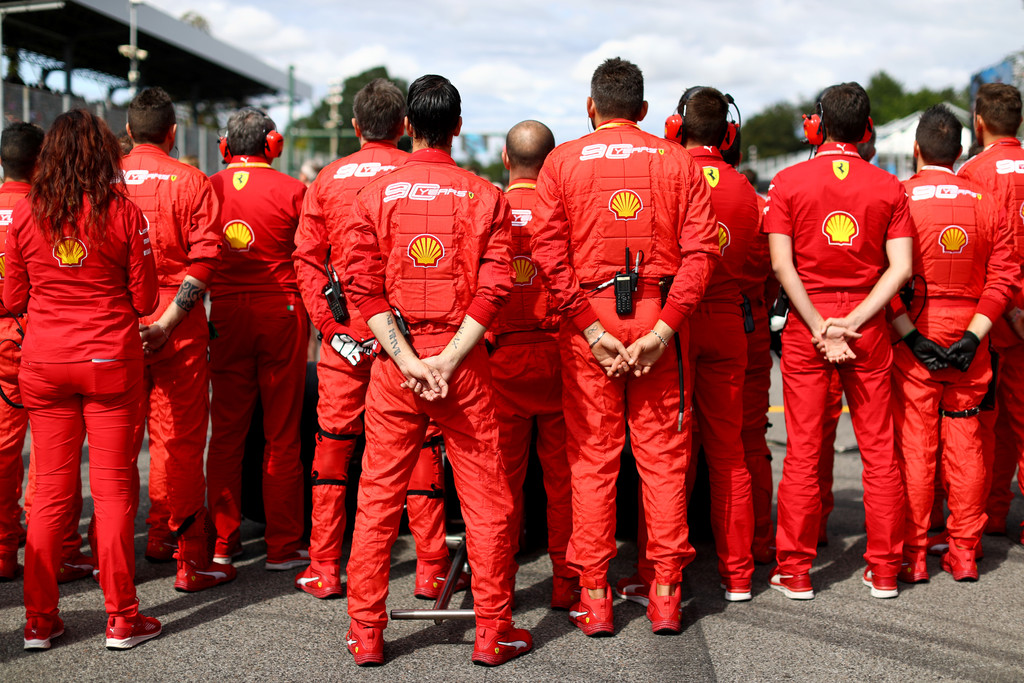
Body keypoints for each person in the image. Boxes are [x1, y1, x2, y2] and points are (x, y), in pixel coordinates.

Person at [342, 74, 531, 667]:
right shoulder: (486, 195)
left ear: (405, 128)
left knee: (376, 498)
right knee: (487, 500)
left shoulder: (371, 195)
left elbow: (362, 294)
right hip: (463, 366)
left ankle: (367, 634)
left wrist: (410, 363)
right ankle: (491, 632)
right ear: (456, 126)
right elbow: (496, 289)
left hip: (397, 369)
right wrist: (446, 361)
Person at [530, 58, 720, 636]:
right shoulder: (679, 160)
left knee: (592, 462)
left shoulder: (561, 161)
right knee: (662, 464)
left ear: (592, 108)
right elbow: (703, 252)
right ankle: (665, 594)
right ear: (642, 111)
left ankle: (595, 596)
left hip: (590, 322)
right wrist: (664, 330)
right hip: (659, 314)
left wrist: (590, 329)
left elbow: (546, 253)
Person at [4, 109, 162, 649]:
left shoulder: (26, 212)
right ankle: (122, 618)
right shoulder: (124, 212)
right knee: (114, 488)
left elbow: (10, 298)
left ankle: (39, 622)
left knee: (46, 491)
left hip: (45, 363)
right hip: (109, 362)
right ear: (103, 154)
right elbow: (144, 300)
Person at [292, 78, 455, 600]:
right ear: (406, 127)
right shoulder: (416, 178)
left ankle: (324, 566)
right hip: (407, 341)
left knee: (335, 447)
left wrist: (331, 329)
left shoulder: (326, 179)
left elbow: (307, 261)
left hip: (346, 340)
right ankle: (430, 565)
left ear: (356, 126)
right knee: (422, 444)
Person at [764, 82, 912, 600]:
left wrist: (821, 325)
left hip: (810, 327)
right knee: (879, 451)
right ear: (868, 128)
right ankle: (886, 569)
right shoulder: (891, 186)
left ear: (818, 125)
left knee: (803, 451)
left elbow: (782, 266)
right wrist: (854, 321)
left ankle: (797, 571)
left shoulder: (786, 181)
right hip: (867, 327)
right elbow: (902, 269)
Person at [892, 104, 1015, 583]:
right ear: (961, 150)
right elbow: (1004, 277)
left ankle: (916, 553)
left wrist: (912, 338)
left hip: (914, 332)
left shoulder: (899, 197)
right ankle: (964, 551)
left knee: (917, 446)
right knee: (966, 445)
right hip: (972, 332)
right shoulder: (987, 201)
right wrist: (973, 336)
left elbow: (885, 277)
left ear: (918, 149)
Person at [121, 87, 232, 592]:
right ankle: (187, 558)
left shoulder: (101, 179)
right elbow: (205, 261)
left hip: (114, 320)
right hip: (177, 322)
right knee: (181, 442)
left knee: (115, 445)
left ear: (128, 132)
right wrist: (167, 322)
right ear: (171, 133)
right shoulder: (192, 181)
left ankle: (120, 554)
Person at [206, 108, 309, 569]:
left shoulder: (208, 186)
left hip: (225, 313)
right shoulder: (293, 189)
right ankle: (283, 545)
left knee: (225, 432)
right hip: (280, 312)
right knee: (282, 432)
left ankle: (223, 543)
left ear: (225, 147)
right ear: (274, 144)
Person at [489, 120, 575, 609]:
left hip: (502, 360)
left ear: (505, 160)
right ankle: (566, 582)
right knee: (564, 479)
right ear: (552, 161)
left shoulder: (488, 206)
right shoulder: (561, 210)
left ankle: (498, 584)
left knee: (500, 484)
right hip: (557, 354)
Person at [956, 83, 1024, 542]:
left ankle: (987, 516)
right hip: (1009, 310)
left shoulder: (971, 173)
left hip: (993, 314)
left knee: (984, 422)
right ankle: (997, 515)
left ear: (978, 121)